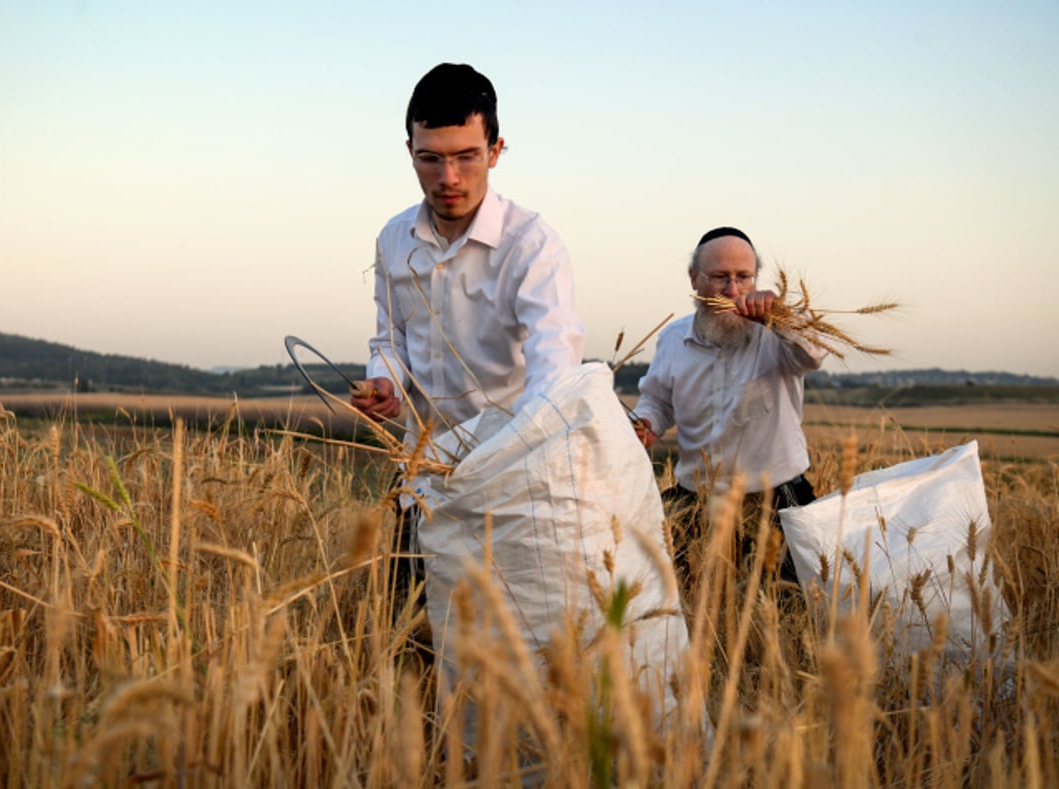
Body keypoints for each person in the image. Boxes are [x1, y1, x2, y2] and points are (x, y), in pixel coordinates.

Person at [351, 63, 586, 640]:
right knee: (412, 640)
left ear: (497, 149)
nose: (447, 176)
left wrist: (500, 462)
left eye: (466, 156)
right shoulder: (393, 238)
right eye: (430, 157)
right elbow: (391, 339)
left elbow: (555, 373)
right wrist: (385, 382)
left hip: (510, 483)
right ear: (409, 149)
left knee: (508, 647)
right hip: (422, 478)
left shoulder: (533, 246)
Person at [633, 226, 827, 588]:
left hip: (777, 498)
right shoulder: (673, 339)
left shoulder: (777, 334)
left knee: (779, 608)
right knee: (675, 595)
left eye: (743, 278)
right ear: (694, 279)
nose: (733, 290)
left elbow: (814, 353)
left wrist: (780, 317)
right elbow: (658, 400)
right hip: (697, 499)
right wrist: (646, 422)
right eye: (720, 278)